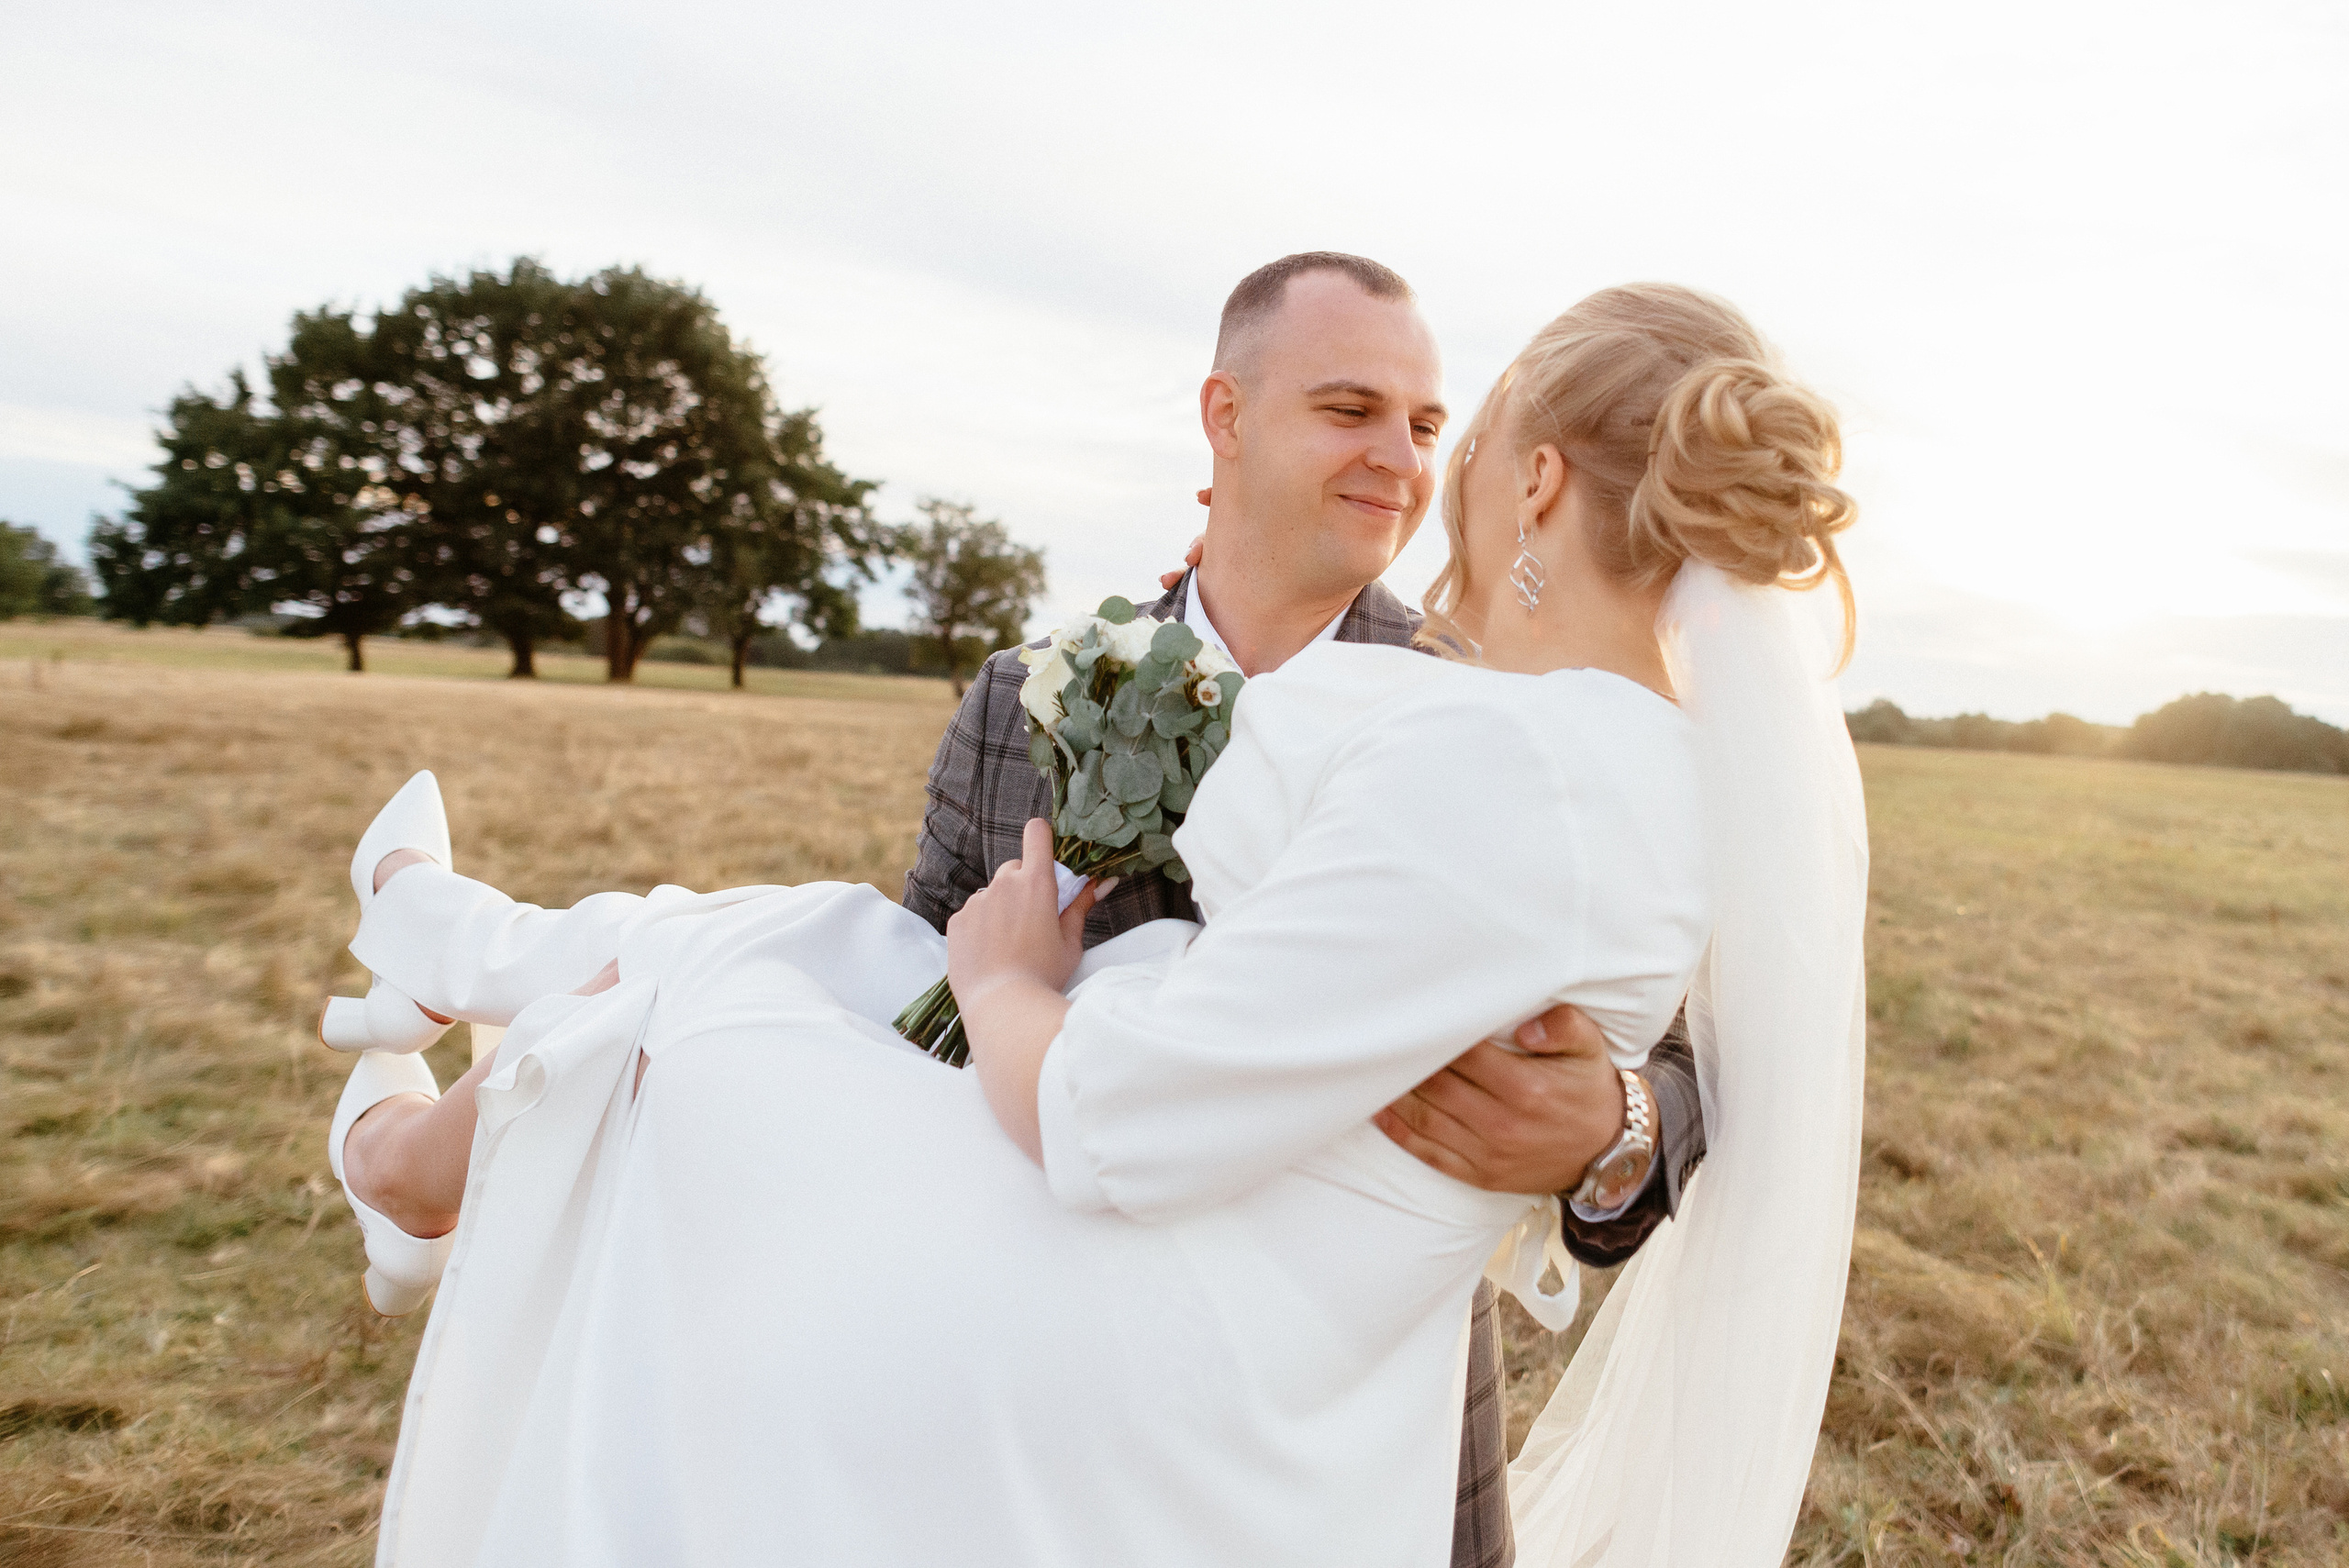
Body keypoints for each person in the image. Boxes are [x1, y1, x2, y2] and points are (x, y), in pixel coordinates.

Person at [327, 281, 1865, 1567]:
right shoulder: (1032, 688)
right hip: (1027, 1284)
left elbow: (1717, 1081)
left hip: (1303, 1390)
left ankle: (421, 1042)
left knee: (719, 988)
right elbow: (920, 988)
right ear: (1227, 418)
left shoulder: (1494, 724)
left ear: (1532, 474)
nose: (1404, 456)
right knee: (770, 965)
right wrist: (977, 1004)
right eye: (1350, 410)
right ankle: (426, 1072)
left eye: (1428, 420)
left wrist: (1600, 1124)